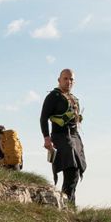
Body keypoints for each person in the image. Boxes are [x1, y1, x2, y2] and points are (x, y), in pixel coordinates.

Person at [40, 68, 84, 205]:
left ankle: (70, 205)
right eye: (65, 78)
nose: (68, 81)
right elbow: (43, 118)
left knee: (77, 169)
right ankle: (67, 206)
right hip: (60, 135)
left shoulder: (73, 98)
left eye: (71, 79)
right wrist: (46, 138)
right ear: (59, 80)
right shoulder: (53, 96)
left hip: (74, 136)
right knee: (71, 169)